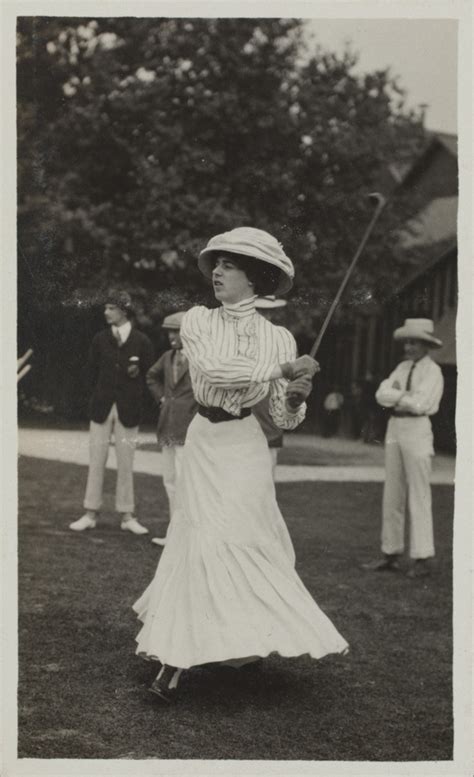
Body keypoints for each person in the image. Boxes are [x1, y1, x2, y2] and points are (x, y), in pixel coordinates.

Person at [133, 227, 348, 702]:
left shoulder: (279, 338)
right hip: (205, 440)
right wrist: (281, 372)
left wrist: (295, 398)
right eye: (217, 264)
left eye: (230, 265)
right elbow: (213, 372)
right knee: (203, 536)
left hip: (246, 445)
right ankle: (176, 657)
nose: (218, 272)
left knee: (249, 537)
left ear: (255, 278)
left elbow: (279, 417)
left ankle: (244, 645)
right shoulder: (197, 322)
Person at [362, 318, 444, 578]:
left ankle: (422, 556)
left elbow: (421, 405)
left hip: (417, 429)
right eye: (407, 342)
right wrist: (403, 396)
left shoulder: (433, 372)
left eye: (414, 342)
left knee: (419, 492)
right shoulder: (401, 367)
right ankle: (391, 552)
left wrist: (396, 395)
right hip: (395, 428)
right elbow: (380, 394)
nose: (408, 347)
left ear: (426, 345)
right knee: (392, 490)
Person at [69, 290, 154, 535]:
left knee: (126, 463)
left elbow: (150, 378)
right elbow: (89, 374)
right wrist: (95, 399)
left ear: (123, 311)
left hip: (129, 411)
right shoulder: (99, 339)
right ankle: (90, 513)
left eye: (110, 308)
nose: (106, 312)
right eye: (105, 308)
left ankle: (127, 516)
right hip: (101, 409)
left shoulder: (142, 341)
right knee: (96, 461)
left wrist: (140, 404)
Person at [146, 311, 198, 546]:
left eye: (176, 332)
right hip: (167, 426)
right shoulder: (167, 357)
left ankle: (189, 535)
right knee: (170, 481)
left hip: (190, 430)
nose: (172, 337)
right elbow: (151, 377)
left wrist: (199, 412)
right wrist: (162, 399)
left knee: (188, 483)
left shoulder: (200, 359)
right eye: (169, 332)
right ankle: (175, 533)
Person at [252, 295, 288, 474]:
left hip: (269, 424)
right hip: (238, 424)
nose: (266, 316)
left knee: (265, 486)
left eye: (269, 312)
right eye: (260, 311)